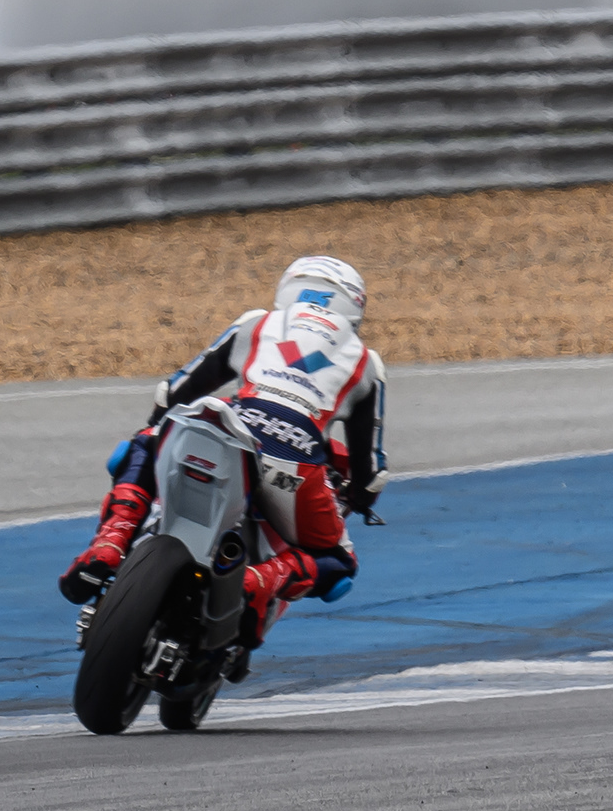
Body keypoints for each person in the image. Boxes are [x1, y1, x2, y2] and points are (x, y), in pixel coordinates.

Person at [62, 255, 381, 650]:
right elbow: (370, 466)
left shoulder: (256, 322)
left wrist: (157, 426)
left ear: (289, 290)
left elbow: (175, 390)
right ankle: (258, 581)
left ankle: (112, 540)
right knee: (339, 561)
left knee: (142, 443)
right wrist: (362, 497)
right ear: (353, 309)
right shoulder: (366, 361)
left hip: (230, 427)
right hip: (294, 461)